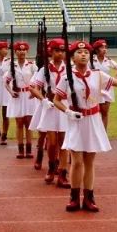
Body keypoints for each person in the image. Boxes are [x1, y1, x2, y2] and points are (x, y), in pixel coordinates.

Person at [55, 41, 117, 212]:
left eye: (86, 52)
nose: (83, 55)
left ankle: (89, 197)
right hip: (76, 121)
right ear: (72, 58)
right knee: (77, 161)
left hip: (93, 119)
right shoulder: (66, 77)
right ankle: (74, 197)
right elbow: (56, 100)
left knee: (89, 161)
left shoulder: (97, 75)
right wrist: (67, 111)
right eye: (79, 52)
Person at [29, 38, 69, 187]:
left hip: (64, 106)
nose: (60, 54)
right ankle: (52, 166)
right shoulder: (44, 69)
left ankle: (63, 172)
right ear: (50, 52)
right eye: (57, 50)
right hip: (50, 107)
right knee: (52, 143)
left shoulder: (69, 69)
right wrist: (43, 99)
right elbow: (34, 88)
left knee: (64, 142)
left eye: (63, 51)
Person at [4, 41, 38, 158]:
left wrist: (34, 92)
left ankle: (28, 149)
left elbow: (38, 80)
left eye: (24, 50)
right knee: (19, 123)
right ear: (15, 52)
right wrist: (11, 91)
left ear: (27, 51)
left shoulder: (32, 65)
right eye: (19, 50)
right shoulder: (12, 66)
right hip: (18, 96)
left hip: (29, 96)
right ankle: (20, 149)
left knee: (28, 123)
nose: (22, 52)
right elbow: (6, 82)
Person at [90, 39, 117, 128]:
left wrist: (116, 76)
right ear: (96, 49)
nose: (104, 49)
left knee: (104, 113)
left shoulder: (108, 60)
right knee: (94, 113)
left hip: (107, 89)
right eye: (102, 47)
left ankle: (104, 133)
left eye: (105, 47)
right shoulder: (91, 60)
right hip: (94, 88)